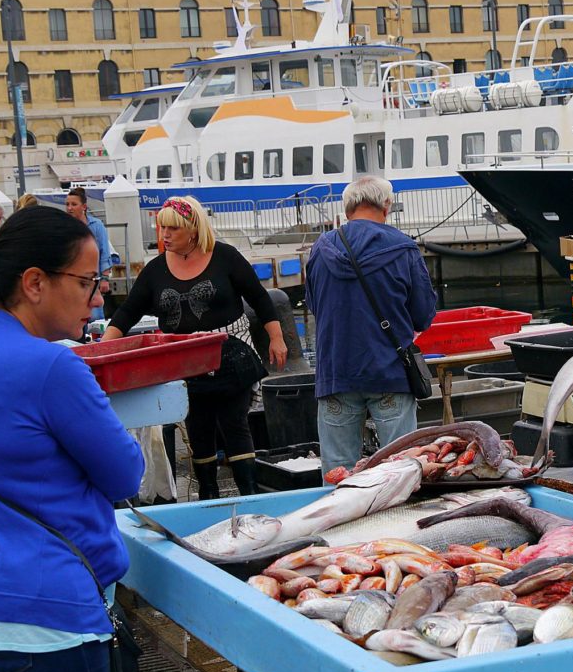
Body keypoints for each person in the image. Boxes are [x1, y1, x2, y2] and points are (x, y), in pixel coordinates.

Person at [0, 206, 145, 672]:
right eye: (88, 282)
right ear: (34, 283)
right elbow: (124, 474)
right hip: (48, 622)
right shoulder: (51, 366)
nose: (96, 301)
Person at [104, 196, 287, 498]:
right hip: (184, 362)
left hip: (230, 352)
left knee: (233, 423)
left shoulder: (225, 256)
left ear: (192, 229)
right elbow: (126, 313)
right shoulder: (155, 271)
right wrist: (103, 348)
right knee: (198, 428)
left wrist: (276, 338)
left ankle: (251, 494)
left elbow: (259, 297)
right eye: (162, 228)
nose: (164, 235)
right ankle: (207, 497)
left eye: (172, 230)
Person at [306, 176, 437, 476]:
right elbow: (423, 315)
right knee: (399, 474)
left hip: (336, 373)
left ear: (347, 207)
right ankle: (395, 523)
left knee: (338, 477)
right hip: (390, 372)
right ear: (386, 205)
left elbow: (314, 305)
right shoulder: (403, 249)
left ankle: (343, 524)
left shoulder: (321, 249)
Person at [65, 187, 113, 320]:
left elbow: (104, 252)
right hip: (71, 280)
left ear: (84, 206)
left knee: (95, 318)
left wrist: (105, 279)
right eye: (67, 204)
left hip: (92, 281)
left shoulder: (96, 226)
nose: (69, 208)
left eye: (74, 204)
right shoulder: (64, 227)